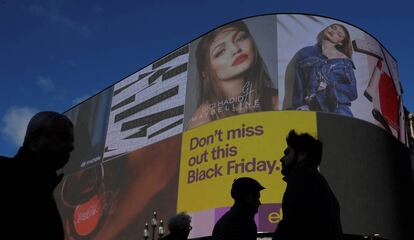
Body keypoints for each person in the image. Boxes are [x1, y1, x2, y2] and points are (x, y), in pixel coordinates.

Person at [187, 21, 278, 129]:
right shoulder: (201, 121)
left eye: (240, 38)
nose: (236, 50)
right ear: (205, 73)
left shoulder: (276, 100)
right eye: (220, 52)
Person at [0, 111, 74, 239]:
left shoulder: (47, 194)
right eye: (62, 137)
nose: (71, 147)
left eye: (71, 141)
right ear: (35, 142)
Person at [273, 130, 342, 240]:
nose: (281, 159)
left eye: (287, 153)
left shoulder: (302, 178)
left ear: (302, 155)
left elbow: (292, 224)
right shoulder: (318, 181)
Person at [283, 23, 357, 116]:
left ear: (340, 42)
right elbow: (299, 85)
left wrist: (330, 88)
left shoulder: (345, 61)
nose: (333, 31)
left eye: (339, 34)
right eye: (333, 27)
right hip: (311, 109)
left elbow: (352, 92)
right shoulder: (305, 53)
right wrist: (300, 106)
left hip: (339, 109)